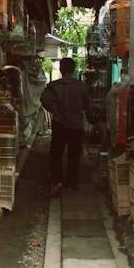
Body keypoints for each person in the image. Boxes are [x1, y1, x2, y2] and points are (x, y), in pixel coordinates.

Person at [40, 58, 90, 195]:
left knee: (56, 154)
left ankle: (58, 181)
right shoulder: (81, 86)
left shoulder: (54, 86)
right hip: (76, 125)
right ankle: (71, 184)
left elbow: (44, 99)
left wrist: (55, 110)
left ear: (61, 70)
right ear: (73, 70)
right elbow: (87, 104)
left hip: (60, 124)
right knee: (74, 155)